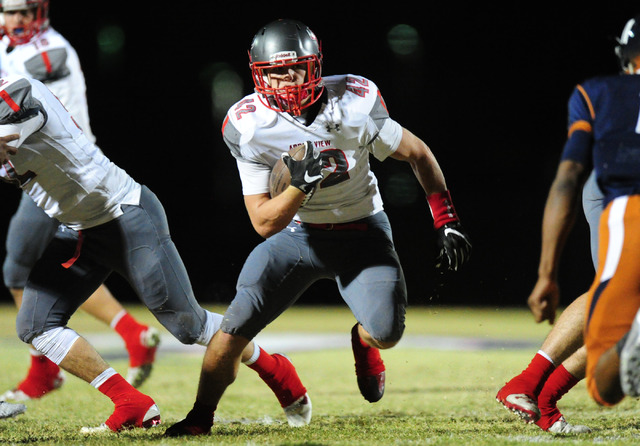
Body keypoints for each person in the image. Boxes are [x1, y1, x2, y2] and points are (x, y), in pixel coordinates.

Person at [165, 19, 472, 437]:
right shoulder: (248, 124)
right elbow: (263, 222)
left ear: (316, 67)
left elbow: (417, 153)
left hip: (363, 231)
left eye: (295, 68)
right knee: (234, 327)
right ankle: (200, 415)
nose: (287, 80)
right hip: (297, 237)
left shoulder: (354, 101)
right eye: (275, 71)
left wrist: (446, 219)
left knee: (386, 333)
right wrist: (300, 186)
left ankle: (363, 343)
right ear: (259, 75)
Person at [0, 73, 311, 432]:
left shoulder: (17, 94)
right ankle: (131, 403)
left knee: (188, 324)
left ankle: (276, 370)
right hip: (79, 229)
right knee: (35, 324)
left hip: (126, 214)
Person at [0, 0, 159, 398]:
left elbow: (26, 122)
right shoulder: (11, 48)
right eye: (9, 10)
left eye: (25, 11)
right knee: (36, 270)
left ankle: (45, 371)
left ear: (40, 12)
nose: (16, 19)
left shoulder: (48, 54)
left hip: (62, 171)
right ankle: (132, 332)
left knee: (19, 269)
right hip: (45, 168)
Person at [510, 14, 640, 410]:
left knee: (608, 381)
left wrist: (547, 273)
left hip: (622, 205)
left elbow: (566, 178)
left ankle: (536, 387)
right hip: (618, 197)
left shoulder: (597, 91)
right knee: (611, 295)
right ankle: (535, 385)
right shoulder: (603, 93)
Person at [494, 172, 602, 434]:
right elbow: (567, 178)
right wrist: (547, 273)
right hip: (620, 190)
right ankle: (528, 382)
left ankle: (542, 396)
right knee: (619, 293)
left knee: (628, 320)